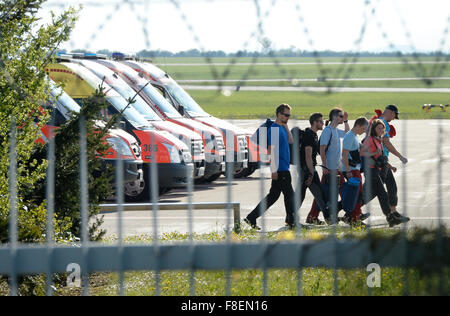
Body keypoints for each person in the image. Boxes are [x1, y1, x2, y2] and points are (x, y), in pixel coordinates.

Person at [244, 104, 296, 230]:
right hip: (280, 169)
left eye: (289, 115)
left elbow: (291, 141)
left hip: (284, 168)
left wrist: (286, 125)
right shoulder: (274, 129)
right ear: (279, 114)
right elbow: (270, 150)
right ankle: (292, 222)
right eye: (286, 115)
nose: (288, 117)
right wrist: (273, 170)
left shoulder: (282, 127)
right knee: (290, 195)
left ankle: (251, 217)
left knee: (273, 197)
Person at [306, 107, 350, 225]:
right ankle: (324, 216)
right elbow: (322, 149)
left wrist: (345, 121)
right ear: (335, 117)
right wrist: (325, 167)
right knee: (324, 194)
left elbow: (347, 133)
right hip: (329, 169)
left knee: (323, 194)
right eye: (341, 116)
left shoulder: (335, 130)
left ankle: (314, 216)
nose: (342, 118)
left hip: (336, 168)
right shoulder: (328, 131)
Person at [360, 119, 408, 227]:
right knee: (382, 194)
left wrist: (390, 167)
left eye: (382, 128)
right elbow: (362, 153)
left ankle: (350, 210)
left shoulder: (379, 140)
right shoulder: (369, 139)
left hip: (377, 170)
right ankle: (391, 218)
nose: (381, 130)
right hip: (370, 171)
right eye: (378, 128)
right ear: (374, 129)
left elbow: (380, 158)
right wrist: (374, 152)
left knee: (370, 194)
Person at [293, 113, 331, 222]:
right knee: (308, 195)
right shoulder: (309, 135)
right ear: (314, 122)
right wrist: (311, 173)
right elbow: (308, 155)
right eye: (320, 121)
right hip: (306, 169)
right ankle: (291, 218)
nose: (322, 123)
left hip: (307, 169)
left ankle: (291, 217)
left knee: (316, 194)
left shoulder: (313, 134)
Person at [376, 105, 410, 222]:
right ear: (390, 112)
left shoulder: (379, 121)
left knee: (391, 186)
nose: (394, 118)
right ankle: (352, 211)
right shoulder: (383, 124)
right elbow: (386, 143)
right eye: (395, 115)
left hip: (382, 160)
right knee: (372, 192)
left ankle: (393, 212)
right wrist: (400, 156)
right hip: (379, 161)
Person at [341, 117, 370, 225]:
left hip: (355, 169)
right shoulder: (350, 137)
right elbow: (344, 154)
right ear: (357, 125)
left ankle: (355, 216)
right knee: (356, 194)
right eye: (363, 129)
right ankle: (355, 219)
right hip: (351, 170)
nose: (364, 131)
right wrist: (348, 171)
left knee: (358, 194)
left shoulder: (354, 136)